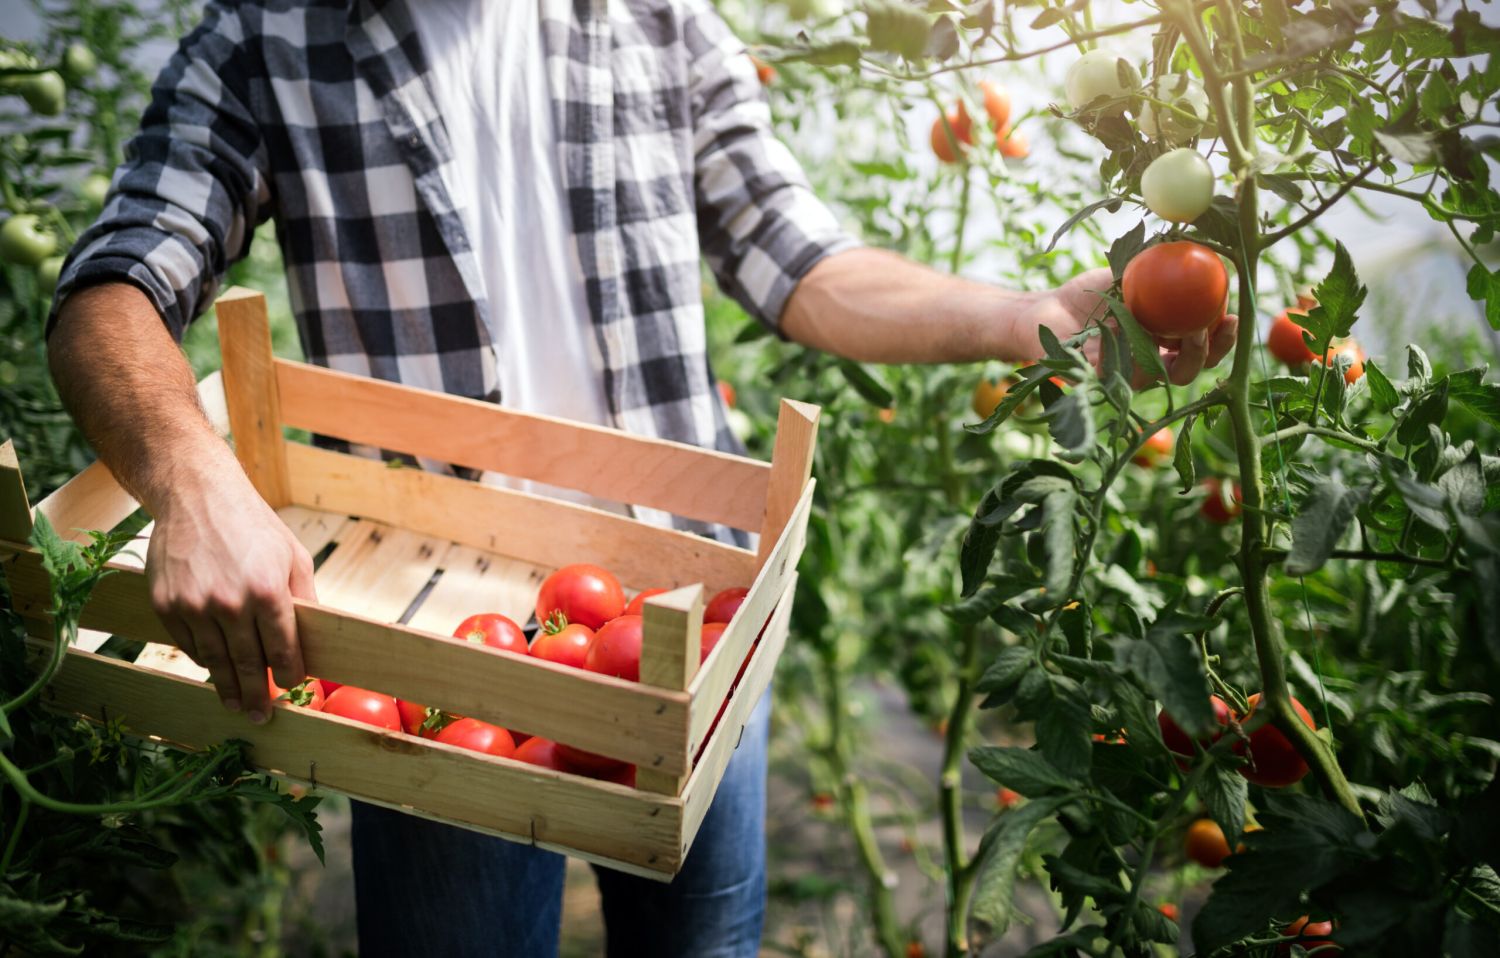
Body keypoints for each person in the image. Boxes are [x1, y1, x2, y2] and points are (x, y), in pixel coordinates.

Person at [44, 1, 1237, 955]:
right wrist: (194, 484)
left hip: (689, 615)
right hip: (440, 642)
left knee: (704, 938)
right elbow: (112, 287)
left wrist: (1020, 316)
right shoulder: (264, 37)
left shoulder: (655, 21)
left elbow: (802, 263)